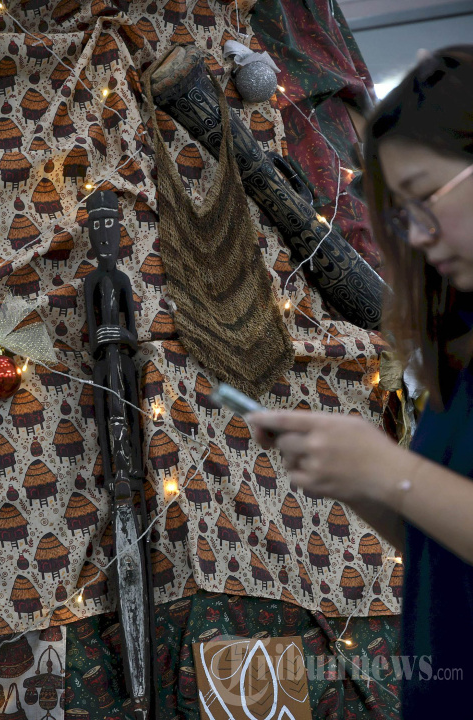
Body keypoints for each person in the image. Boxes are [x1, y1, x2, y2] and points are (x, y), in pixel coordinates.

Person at [247, 44, 473, 718]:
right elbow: (446, 549)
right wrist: (361, 483)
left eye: (425, 197)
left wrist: (389, 472)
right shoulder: (460, 348)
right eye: (401, 214)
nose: (417, 237)